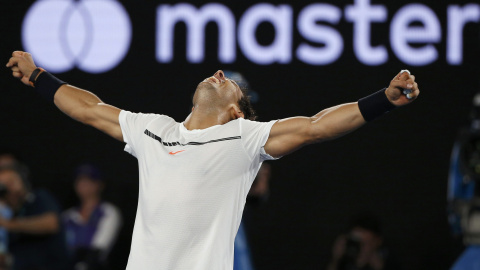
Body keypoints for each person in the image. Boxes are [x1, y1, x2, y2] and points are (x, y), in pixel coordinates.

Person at [6, 51, 420, 270]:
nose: (219, 74)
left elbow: (316, 126)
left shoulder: (244, 138)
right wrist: (40, 76)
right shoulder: (154, 129)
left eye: (230, 84)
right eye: (220, 74)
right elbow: (90, 108)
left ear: (237, 110)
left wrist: (383, 100)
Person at [0, 163, 67, 270]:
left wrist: (9, 224)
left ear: (22, 181)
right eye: (3, 185)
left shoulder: (38, 197)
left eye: (11, 182)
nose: (9, 188)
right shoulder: (9, 212)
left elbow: (51, 224)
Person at [63, 164, 122, 270]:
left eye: (89, 180)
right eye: (80, 180)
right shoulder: (67, 216)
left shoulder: (108, 212)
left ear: (100, 184)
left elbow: (99, 249)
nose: (84, 184)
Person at [326, 214, 400, 270]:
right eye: (356, 241)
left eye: (366, 243)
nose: (360, 247)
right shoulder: (345, 257)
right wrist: (335, 260)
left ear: (378, 241)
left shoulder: (389, 258)